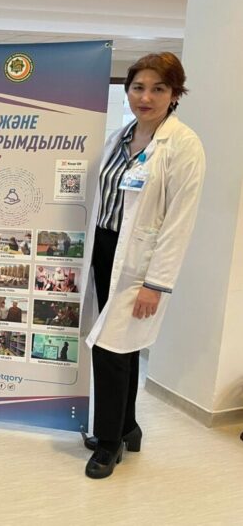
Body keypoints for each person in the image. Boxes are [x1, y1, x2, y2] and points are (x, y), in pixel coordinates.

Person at [82, 52, 205, 479]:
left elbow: (179, 222)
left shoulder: (183, 145)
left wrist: (156, 283)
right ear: (128, 90)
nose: (146, 97)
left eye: (158, 88)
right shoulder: (121, 136)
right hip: (104, 250)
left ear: (175, 94)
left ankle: (108, 443)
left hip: (138, 263)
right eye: (138, 87)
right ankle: (128, 428)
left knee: (110, 348)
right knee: (124, 347)